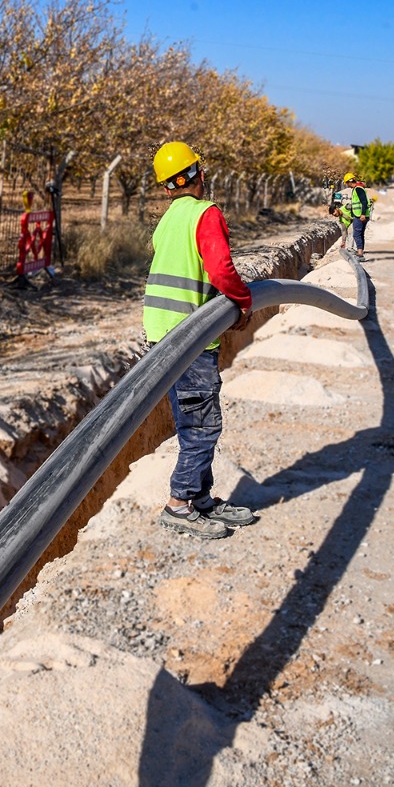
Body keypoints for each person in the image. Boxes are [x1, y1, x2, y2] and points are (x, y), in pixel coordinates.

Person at [145, 141, 258, 539]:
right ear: (200, 174)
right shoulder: (205, 214)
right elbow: (221, 270)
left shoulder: (168, 220)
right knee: (204, 428)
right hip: (190, 339)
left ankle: (202, 499)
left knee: (192, 423)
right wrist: (243, 303)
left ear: (166, 188)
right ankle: (179, 504)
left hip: (162, 334)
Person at [344, 171, 372, 261]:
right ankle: (360, 252)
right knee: (360, 234)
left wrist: (362, 214)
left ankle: (360, 254)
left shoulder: (358, 189)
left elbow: (364, 201)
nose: (347, 185)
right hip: (361, 215)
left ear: (349, 182)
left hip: (360, 215)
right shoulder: (359, 188)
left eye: (347, 183)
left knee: (356, 234)